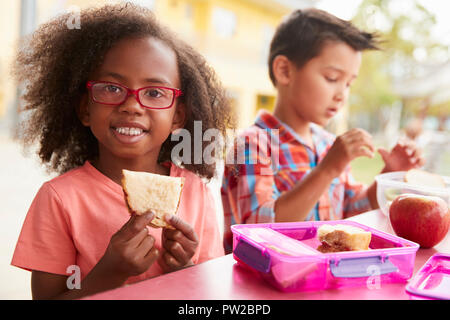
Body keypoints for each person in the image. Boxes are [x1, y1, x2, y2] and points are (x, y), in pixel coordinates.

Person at [11, 3, 235, 299]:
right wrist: (109, 273)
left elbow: (210, 297)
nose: (132, 105)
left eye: (155, 93)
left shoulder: (195, 194)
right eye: (111, 88)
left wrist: (183, 268)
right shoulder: (59, 200)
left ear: (178, 117)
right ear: (85, 108)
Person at [221, 8, 424, 253]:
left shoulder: (329, 144)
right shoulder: (252, 144)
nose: (342, 94)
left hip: (320, 283)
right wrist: (328, 169)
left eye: (348, 83)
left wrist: (389, 173)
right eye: (331, 78)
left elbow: (351, 211)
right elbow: (257, 231)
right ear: (285, 70)